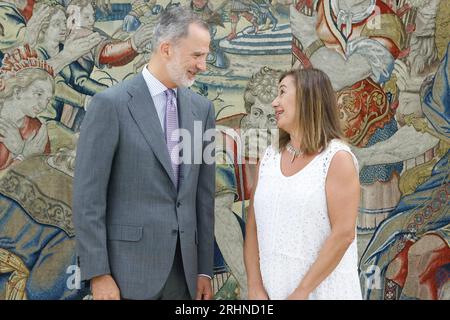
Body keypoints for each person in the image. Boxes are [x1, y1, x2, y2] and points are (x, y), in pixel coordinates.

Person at [73, 6, 216, 300]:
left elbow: (203, 196)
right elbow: (88, 198)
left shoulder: (203, 110)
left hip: (185, 277)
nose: (203, 66)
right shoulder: (110, 105)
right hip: (126, 275)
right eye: (197, 55)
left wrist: (204, 270)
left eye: (206, 56)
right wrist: (98, 274)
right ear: (166, 49)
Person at [244, 68, 362, 300]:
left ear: (308, 98)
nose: (275, 102)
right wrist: (255, 286)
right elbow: (253, 228)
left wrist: (301, 292)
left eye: (282, 92)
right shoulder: (267, 159)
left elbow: (343, 234)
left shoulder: (337, 159)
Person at [0, 44, 54, 172]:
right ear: (18, 91)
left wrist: (21, 150)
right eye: (38, 94)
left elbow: (42, 176)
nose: (43, 105)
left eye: (47, 99)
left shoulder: (37, 130)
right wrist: (23, 155)